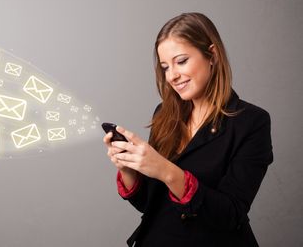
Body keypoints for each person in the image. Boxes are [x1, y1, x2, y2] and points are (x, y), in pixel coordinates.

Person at [103, 13, 273, 246]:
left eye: (181, 61)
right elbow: (152, 205)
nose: (172, 76)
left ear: (211, 55)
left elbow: (230, 214)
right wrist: (129, 170)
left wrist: (166, 170)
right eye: (165, 67)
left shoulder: (252, 122)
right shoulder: (164, 114)